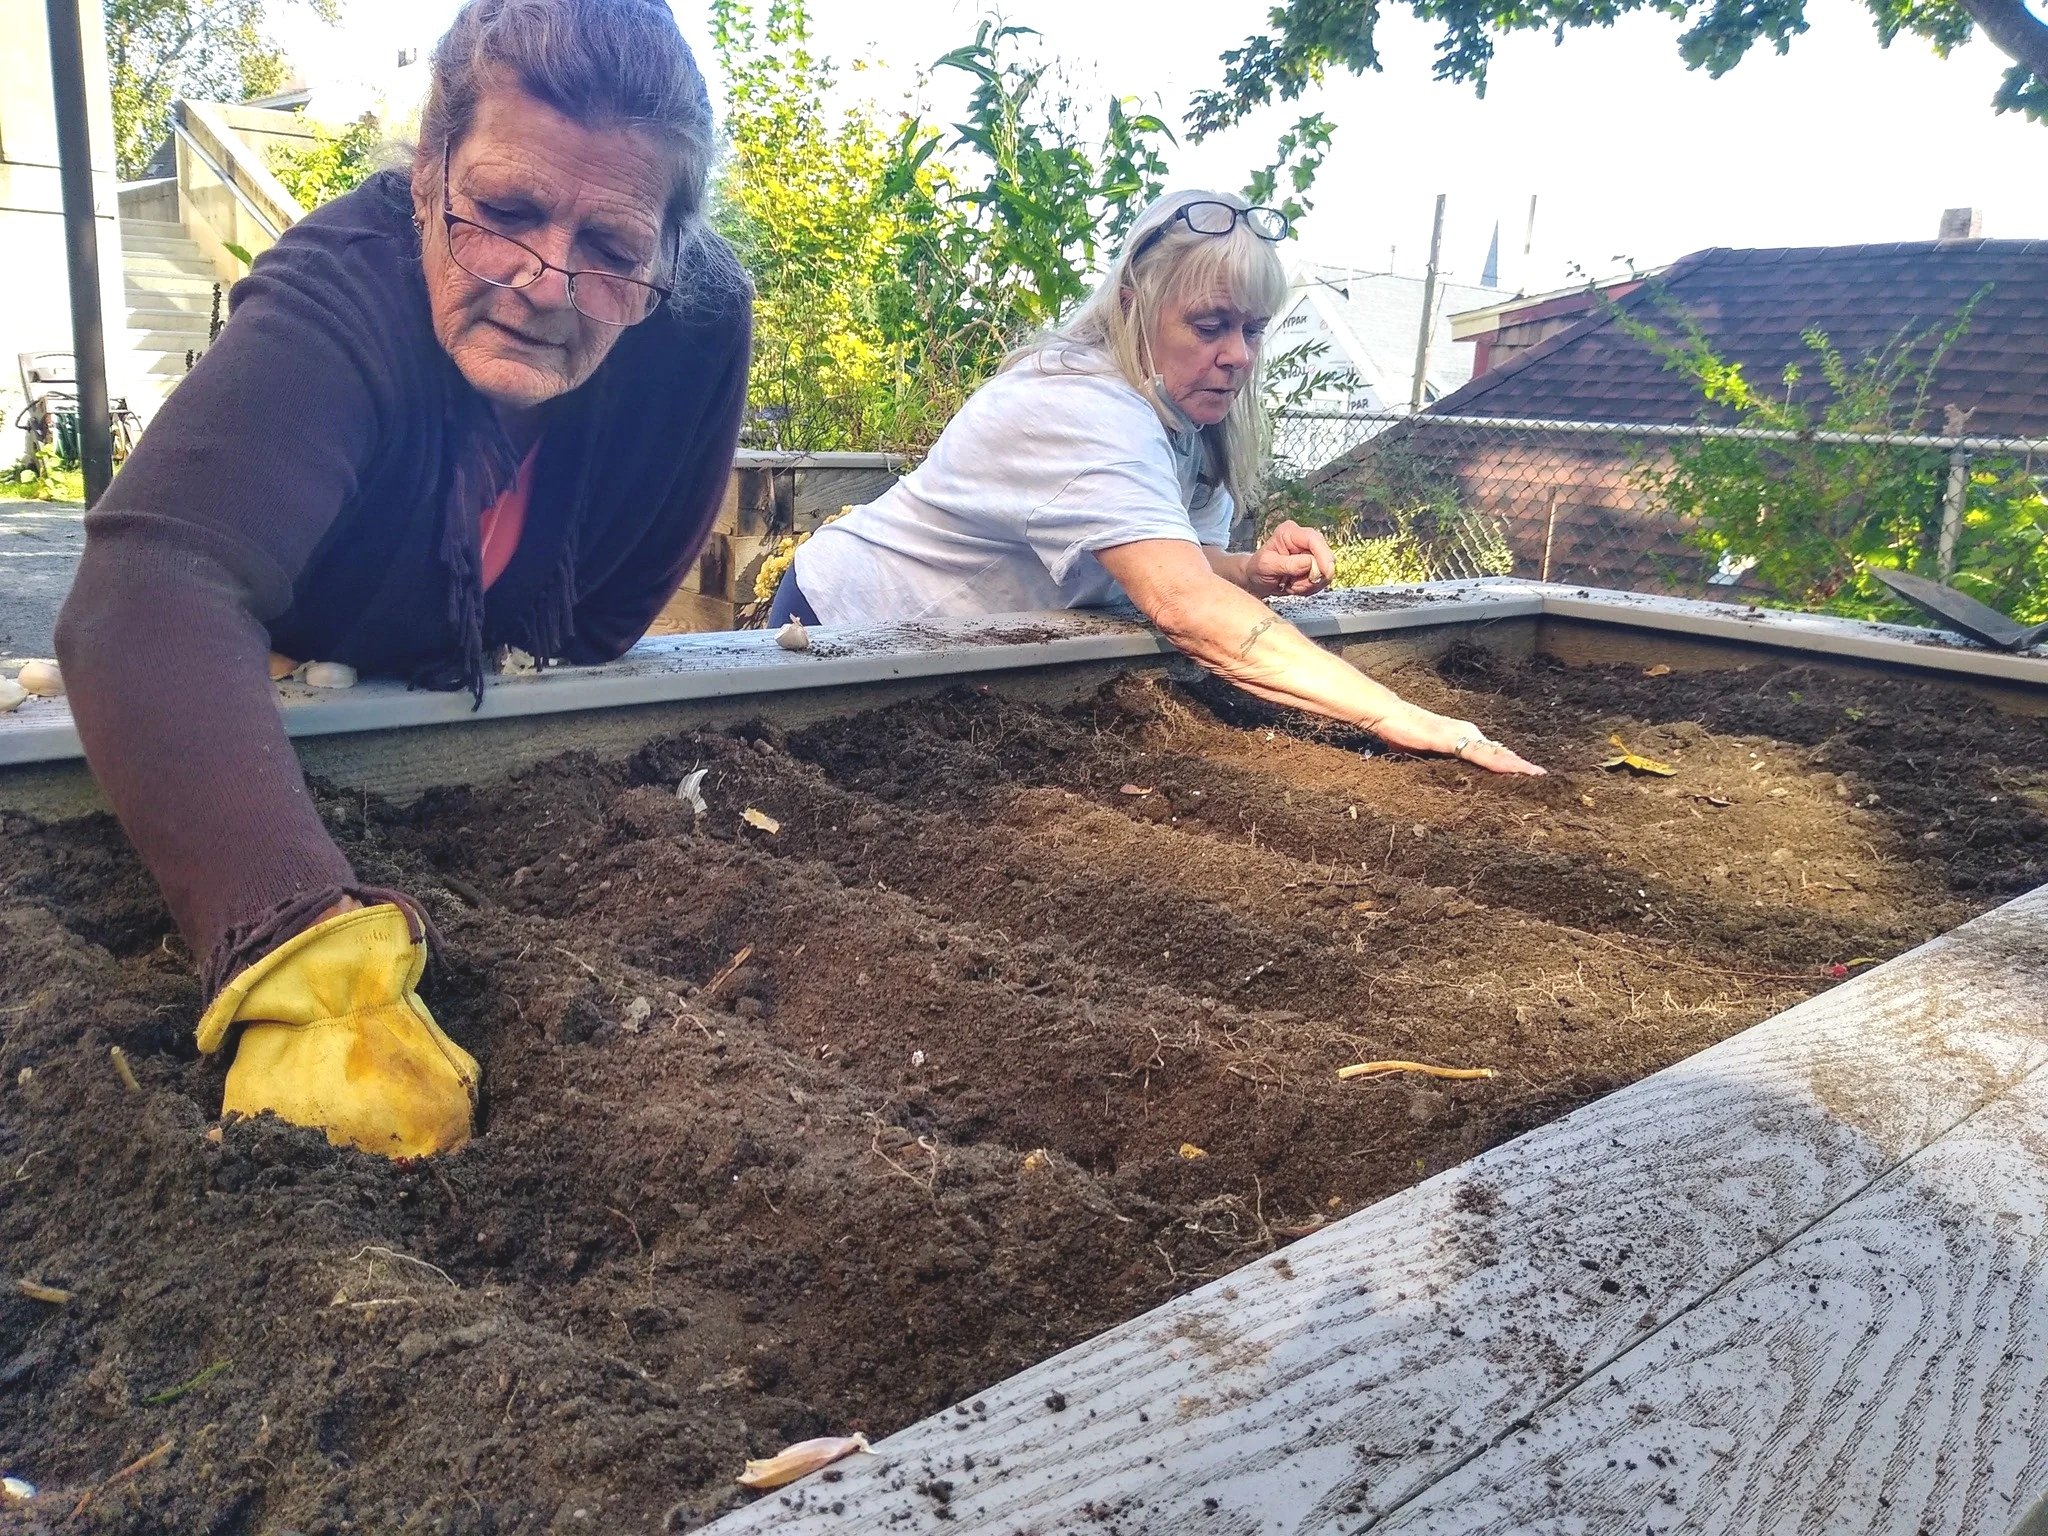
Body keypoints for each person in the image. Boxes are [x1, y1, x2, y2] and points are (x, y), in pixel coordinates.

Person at [54, 0, 751, 1159]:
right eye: (505, 212)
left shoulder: (690, 328)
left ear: (667, 259)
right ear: (429, 169)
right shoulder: (343, 291)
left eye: (612, 250)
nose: (545, 281)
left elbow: (605, 615)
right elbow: (149, 588)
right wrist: (295, 946)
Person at [776, 190, 1542, 779]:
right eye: (1210, 326)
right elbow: (1182, 606)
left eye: (1253, 328)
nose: (1238, 354)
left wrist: (1250, 571)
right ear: (1132, 307)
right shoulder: (1078, 407)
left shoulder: (1186, 419)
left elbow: (1175, 563)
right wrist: (1401, 716)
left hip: (960, 658)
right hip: (844, 634)